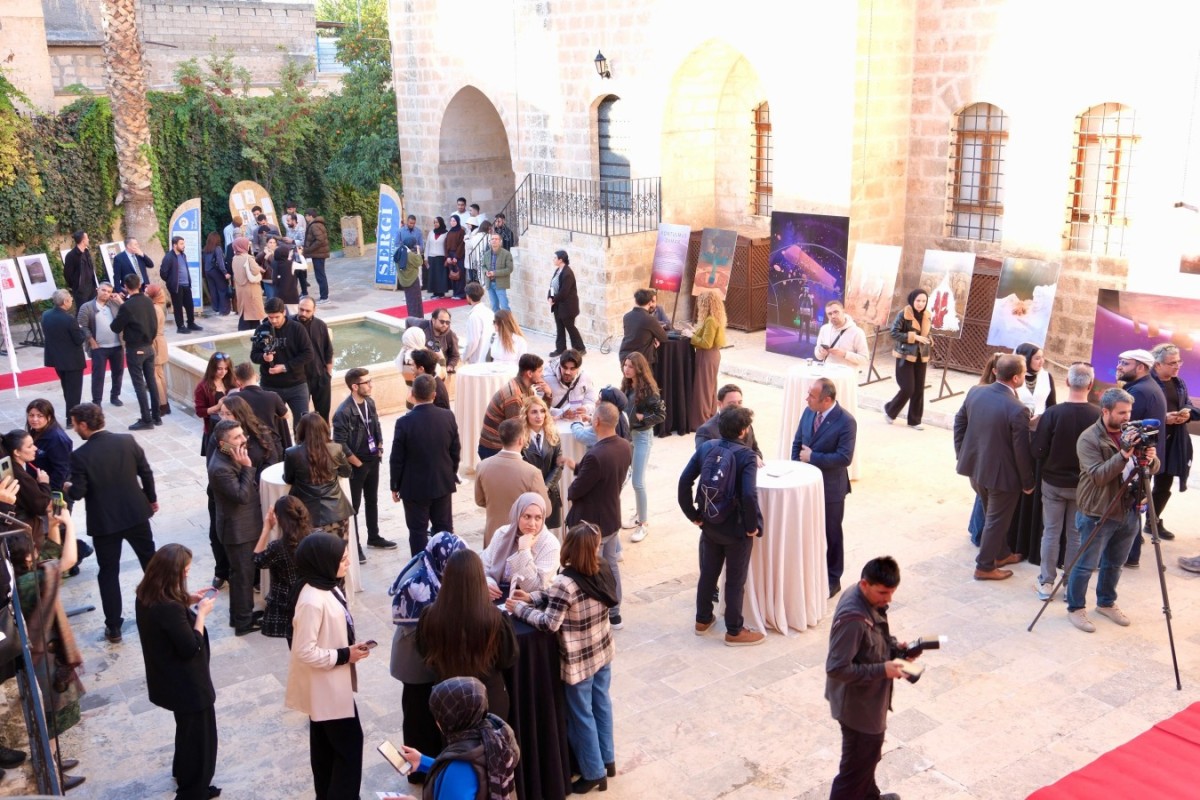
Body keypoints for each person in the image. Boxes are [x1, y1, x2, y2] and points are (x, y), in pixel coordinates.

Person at [507, 523, 616, 794]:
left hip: (579, 661)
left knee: (581, 716)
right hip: (603, 652)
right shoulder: (601, 568)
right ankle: (608, 759)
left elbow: (549, 623)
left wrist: (520, 608)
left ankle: (593, 773)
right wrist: (533, 596)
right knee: (601, 704)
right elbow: (561, 597)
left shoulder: (565, 583)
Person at [1066, 388, 1160, 633]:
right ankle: (1075, 608)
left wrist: (1150, 458)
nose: (1127, 417)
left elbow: (1152, 468)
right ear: (1105, 411)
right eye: (1121, 413)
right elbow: (1098, 476)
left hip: (1129, 509)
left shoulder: (1133, 433)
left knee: (1115, 563)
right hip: (1098, 510)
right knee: (1086, 564)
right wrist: (1123, 453)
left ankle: (1106, 603)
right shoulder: (1089, 438)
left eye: (1129, 411)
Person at [284, 533, 370, 799]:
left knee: (326, 749)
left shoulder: (326, 584)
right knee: (348, 748)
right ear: (323, 562)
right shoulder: (311, 600)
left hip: (332, 685)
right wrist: (345, 655)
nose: (346, 563)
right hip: (327, 688)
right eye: (342, 559)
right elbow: (304, 650)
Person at [8, 509, 86, 792]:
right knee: (50, 717)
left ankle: (55, 760)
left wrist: (53, 527)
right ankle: (54, 771)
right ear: (27, 555)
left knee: (52, 716)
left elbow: (50, 555)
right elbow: (67, 560)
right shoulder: (31, 582)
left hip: (40, 651)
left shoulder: (21, 577)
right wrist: (69, 524)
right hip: (44, 655)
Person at [66, 403, 158, 643]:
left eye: (75, 424)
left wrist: (67, 487)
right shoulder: (127, 441)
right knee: (152, 564)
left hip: (105, 523)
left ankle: (114, 627)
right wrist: (152, 499)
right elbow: (146, 472)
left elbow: (78, 492)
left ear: (83, 425)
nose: (74, 428)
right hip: (136, 513)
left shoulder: (80, 456)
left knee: (108, 573)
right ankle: (165, 610)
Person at [134, 544, 218, 800]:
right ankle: (193, 790)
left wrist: (187, 598)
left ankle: (184, 774)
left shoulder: (146, 594)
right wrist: (201, 614)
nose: (187, 576)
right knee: (200, 740)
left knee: (187, 731)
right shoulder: (168, 608)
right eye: (185, 572)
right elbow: (191, 647)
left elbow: (168, 615)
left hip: (169, 680)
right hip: (188, 684)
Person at [825, 556, 911, 800]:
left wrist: (895, 649)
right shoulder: (853, 619)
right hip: (858, 709)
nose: (888, 599)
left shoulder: (867, 598)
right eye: (883, 592)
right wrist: (883, 670)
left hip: (869, 702)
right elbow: (836, 668)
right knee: (853, 770)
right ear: (865, 584)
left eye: (892, 592)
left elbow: (875, 639)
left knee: (867, 758)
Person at [678, 406, 763, 646]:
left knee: (708, 573)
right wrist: (751, 526)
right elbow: (748, 495)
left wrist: (693, 514)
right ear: (744, 430)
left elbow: (684, 480)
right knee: (735, 580)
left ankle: (702, 619)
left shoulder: (706, 448)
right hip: (736, 529)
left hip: (710, 522)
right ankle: (734, 631)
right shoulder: (746, 456)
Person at [388, 532, 469, 767]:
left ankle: (429, 762)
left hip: (426, 655)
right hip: (414, 662)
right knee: (418, 716)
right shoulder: (418, 585)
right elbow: (425, 632)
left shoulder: (434, 570)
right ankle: (419, 768)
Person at [953, 354, 1035, 581]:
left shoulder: (976, 392)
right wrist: (1028, 482)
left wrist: (962, 454)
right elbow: (1021, 451)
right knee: (996, 521)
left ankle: (1002, 553)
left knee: (993, 515)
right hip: (1002, 477)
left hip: (976, 469)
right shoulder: (1017, 408)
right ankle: (985, 566)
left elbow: (959, 422)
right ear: (1017, 378)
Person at [417, 549, 519, 720]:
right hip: (489, 697)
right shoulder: (495, 617)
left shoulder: (429, 615)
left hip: (447, 696)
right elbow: (508, 658)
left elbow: (424, 652)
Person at [1032, 362, 1100, 599]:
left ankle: (1046, 582)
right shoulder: (1098, 415)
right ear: (1090, 385)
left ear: (1067, 382)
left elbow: (1039, 450)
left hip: (1053, 483)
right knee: (1075, 534)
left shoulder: (1053, 413)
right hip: (1083, 485)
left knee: (1050, 532)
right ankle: (1070, 582)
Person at [394, 677, 520, 799]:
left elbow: (458, 777)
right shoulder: (491, 737)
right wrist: (423, 762)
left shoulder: (459, 767)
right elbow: (472, 778)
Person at [566, 402, 632, 629]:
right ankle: (615, 612)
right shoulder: (624, 446)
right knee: (611, 564)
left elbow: (575, 490)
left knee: (593, 567)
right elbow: (604, 476)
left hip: (595, 521)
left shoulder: (595, 455)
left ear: (596, 422)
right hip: (612, 516)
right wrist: (575, 467)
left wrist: (573, 482)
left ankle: (599, 611)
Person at [790, 377, 858, 598]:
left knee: (831, 533)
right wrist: (796, 469)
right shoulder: (809, 411)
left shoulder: (846, 421)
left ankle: (833, 578)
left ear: (827, 400)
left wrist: (812, 457)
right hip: (806, 485)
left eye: (812, 395)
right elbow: (797, 442)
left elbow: (844, 457)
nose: (807, 398)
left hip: (831, 489)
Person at [390, 374, 461, 556]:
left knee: (418, 532)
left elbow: (397, 458)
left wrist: (395, 486)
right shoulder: (447, 416)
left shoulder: (403, 423)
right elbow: (455, 451)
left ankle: (421, 570)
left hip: (414, 487)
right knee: (444, 529)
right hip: (442, 482)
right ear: (434, 395)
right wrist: (450, 473)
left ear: (412, 394)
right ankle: (445, 566)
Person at [208, 420, 264, 636]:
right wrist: (248, 467)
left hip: (243, 526)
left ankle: (241, 615)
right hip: (237, 530)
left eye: (242, 434)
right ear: (224, 443)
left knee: (243, 575)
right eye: (237, 437)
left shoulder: (229, 453)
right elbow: (242, 496)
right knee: (242, 577)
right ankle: (243, 623)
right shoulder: (220, 468)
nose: (243, 439)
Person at [333, 368, 396, 554]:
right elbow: (339, 444)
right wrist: (357, 462)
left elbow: (375, 425)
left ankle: (374, 537)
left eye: (370, 381)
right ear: (354, 386)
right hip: (356, 466)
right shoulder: (343, 412)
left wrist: (381, 445)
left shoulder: (370, 402)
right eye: (367, 382)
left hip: (373, 460)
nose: (371, 385)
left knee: (372, 501)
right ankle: (355, 544)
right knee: (354, 507)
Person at [1116, 348, 1167, 568]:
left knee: (1130, 508)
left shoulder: (1140, 392)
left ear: (1140, 367)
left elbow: (1124, 429)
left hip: (1135, 462)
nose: (1119, 366)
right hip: (1141, 460)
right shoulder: (1144, 387)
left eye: (1125, 363)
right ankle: (1130, 554)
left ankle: (1128, 554)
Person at [1150, 343, 1196, 543]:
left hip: (1173, 441)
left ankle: (1153, 521)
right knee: (1139, 484)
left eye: (1179, 361)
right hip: (1150, 441)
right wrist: (1163, 417)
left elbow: (1188, 405)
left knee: (1164, 484)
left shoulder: (1179, 383)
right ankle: (1130, 528)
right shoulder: (1147, 384)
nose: (1177, 366)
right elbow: (1135, 412)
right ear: (1158, 365)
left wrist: (1185, 414)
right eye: (1172, 363)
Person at [284, 413, 354, 544]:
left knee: (315, 559)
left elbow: (288, 479)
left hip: (308, 515)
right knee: (340, 557)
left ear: (301, 430)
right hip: (337, 512)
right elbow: (346, 472)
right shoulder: (335, 449)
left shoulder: (292, 453)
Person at [250, 298, 316, 433]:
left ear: (284, 313)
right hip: (270, 386)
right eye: (270, 317)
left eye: (277, 317)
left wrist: (285, 367)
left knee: (302, 426)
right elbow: (253, 356)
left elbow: (308, 354)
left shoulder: (296, 328)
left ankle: (300, 452)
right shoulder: (261, 329)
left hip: (297, 385)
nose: (273, 321)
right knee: (271, 427)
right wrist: (264, 357)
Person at [253, 496, 312, 639]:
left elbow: (257, 560)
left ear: (279, 518)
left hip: (288, 604)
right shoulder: (316, 537)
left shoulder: (277, 547)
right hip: (311, 598)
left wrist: (266, 529)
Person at [482, 492, 561, 598]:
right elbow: (483, 565)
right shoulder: (502, 534)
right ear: (517, 515)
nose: (532, 524)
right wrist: (488, 583)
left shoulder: (550, 544)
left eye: (538, 518)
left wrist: (524, 550)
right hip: (499, 597)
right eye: (527, 516)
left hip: (532, 605)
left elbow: (534, 588)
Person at [110, 273, 163, 430]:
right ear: (140, 285)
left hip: (136, 348)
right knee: (151, 381)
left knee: (139, 384)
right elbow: (153, 323)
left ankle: (146, 419)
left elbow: (115, 327)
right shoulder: (148, 301)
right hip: (149, 346)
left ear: (125, 287)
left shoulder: (127, 306)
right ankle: (156, 417)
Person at [622, 352, 666, 542]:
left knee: (638, 482)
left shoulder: (649, 390)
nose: (626, 369)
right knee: (629, 478)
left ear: (639, 369)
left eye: (630, 366)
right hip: (627, 437)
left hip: (641, 437)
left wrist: (643, 418)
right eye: (625, 365)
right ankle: (639, 514)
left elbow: (661, 415)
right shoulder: (626, 385)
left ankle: (643, 524)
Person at [477, 353, 549, 460]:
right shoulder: (514, 395)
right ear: (529, 373)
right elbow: (516, 431)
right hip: (494, 448)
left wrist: (548, 395)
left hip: (504, 444)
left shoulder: (526, 388)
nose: (542, 375)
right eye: (539, 371)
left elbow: (538, 413)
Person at [883, 288, 932, 429]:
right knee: (908, 388)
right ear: (912, 300)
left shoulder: (927, 315)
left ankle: (915, 421)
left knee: (918, 389)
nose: (921, 304)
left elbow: (929, 332)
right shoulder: (903, 314)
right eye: (918, 300)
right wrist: (914, 337)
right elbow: (893, 333)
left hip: (921, 356)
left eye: (924, 301)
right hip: (905, 355)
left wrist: (929, 340)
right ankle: (890, 409)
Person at [520, 396, 569, 528]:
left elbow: (559, 465)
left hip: (550, 491)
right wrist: (535, 489)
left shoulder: (553, 434)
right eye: (534, 412)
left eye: (542, 411)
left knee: (547, 531)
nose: (539, 416)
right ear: (526, 414)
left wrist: (545, 486)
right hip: (527, 493)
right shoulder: (519, 437)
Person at [76, 281, 125, 408]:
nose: (106, 293)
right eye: (103, 290)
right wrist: (91, 341)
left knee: (118, 372)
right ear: (97, 289)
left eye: (109, 291)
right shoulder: (86, 307)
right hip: (99, 348)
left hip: (117, 346)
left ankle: (115, 396)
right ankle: (97, 401)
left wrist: (120, 301)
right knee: (98, 375)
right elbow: (82, 326)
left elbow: (128, 313)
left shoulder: (115, 304)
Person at [42, 289, 87, 423]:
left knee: (67, 388)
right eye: (71, 300)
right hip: (72, 361)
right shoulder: (69, 319)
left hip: (57, 359)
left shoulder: (46, 315)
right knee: (74, 391)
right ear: (65, 301)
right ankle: (71, 418)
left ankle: (71, 414)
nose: (72, 302)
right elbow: (79, 339)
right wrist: (83, 330)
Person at [2, 429, 52, 547]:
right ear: (17, 452)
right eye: (30, 446)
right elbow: (41, 506)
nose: (35, 448)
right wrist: (44, 483)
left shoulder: (12, 469)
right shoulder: (20, 476)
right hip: (25, 536)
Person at [230, 362, 293, 451]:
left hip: (246, 445)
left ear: (238, 381)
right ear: (255, 375)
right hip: (271, 443)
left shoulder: (233, 398)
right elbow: (285, 415)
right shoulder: (272, 396)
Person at [689, 290, 726, 429]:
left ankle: (701, 421)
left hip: (706, 355)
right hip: (713, 355)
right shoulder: (716, 318)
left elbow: (706, 343)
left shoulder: (710, 320)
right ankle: (710, 417)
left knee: (702, 390)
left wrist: (690, 336)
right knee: (710, 388)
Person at [694, 384, 763, 459]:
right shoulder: (706, 430)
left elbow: (755, 449)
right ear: (719, 404)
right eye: (732, 404)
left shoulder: (746, 423)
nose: (738, 407)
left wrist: (756, 457)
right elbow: (704, 460)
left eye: (739, 402)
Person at [296, 297, 335, 421]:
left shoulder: (320, 324)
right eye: (301, 309)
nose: (303, 313)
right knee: (302, 416)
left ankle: (324, 438)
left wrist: (328, 374)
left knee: (323, 414)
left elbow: (328, 350)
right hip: (299, 379)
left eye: (308, 311)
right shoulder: (289, 324)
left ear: (314, 310)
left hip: (320, 376)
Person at [27, 399, 73, 496]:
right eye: (31, 415)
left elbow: (61, 471)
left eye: (40, 416)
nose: (34, 419)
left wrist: (47, 492)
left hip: (54, 490)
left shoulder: (57, 440)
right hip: (39, 485)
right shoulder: (35, 431)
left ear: (49, 417)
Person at [160, 235, 203, 334]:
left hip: (186, 284)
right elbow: (163, 273)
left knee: (189, 305)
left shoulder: (183, 255)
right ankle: (180, 326)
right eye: (181, 244)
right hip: (176, 286)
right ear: (175, 245)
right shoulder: (168, 257)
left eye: (184, 243)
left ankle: (191, 323)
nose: (184, 245)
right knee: (178, 306)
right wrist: (171, 282)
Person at [194, 353, 234, 458]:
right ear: (212, 368)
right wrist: (218, 406)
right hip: (214, 433)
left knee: (232, 461)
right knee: (216, 462)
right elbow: (199, 412)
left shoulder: (230, 382)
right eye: (219, 369)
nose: (223, 372)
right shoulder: (202, 387)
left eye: (226, 369)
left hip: (231, 432)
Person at [618, 288, 668, 368]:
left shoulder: (626, 316)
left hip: (625, 356)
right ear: (649, 303)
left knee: (628, 380)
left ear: (636, 301)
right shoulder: (650, 319)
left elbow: (635, 334)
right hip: (641, 359)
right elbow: (664, 338)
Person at [814, 300, 869, 372]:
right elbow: (818, 355)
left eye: (836, 312)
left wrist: (845, 354)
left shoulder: (857, 332)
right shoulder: (824, 329)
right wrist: (821, 352)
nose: (833, 316)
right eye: (829, 314)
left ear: (843, 311)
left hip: (846, 377)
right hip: (827, 374)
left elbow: (864, 359)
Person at [544, 349, 598, 420]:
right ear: (560, 365)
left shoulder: (586, 378)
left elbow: (591, 401)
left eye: (572, 369)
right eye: (565, 368)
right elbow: (539, 407)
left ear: (578, 368)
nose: (567, 372)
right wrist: (561, 413)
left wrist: (586, 409)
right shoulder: (546, 379)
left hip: (577, 423)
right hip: (554, 423)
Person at [549, 249, 585, 356]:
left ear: (561, 260)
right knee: (559, 327)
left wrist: (554, 299)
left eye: (555, 258)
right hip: (558, 305)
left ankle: (580, 348)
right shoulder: (557, 271)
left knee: (570, 327)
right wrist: (550, 297)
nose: (553, 259)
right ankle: (560, 349)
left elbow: (564, 292)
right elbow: (552, 286)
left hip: (567, 306)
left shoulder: (567, 273)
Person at [146, 284, 172, 418]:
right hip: (159, 341)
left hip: (155, 342)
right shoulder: (159, 306)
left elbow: (152, 328)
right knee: (160, 374)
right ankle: (164, 404)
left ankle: (161, 405)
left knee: (156, 375)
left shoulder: (155, 308)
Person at [231, 237, 265, 331]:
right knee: (254, 315)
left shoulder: (234, 258)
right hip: (251, 290)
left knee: (244, 314)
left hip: (241, 290)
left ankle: (242, 334)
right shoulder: (248, 258)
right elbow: (255, 270)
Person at [302, 209, 332, 303]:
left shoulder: (314, 225)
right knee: (320, 275)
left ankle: (324, 297)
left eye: (306, 216)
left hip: (318, 254)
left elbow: (320, 240)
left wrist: (309, 249)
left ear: (310, 216)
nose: (305, 218)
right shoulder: (316, 224)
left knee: (320, 276)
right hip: (319, 253)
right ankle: (324, 296)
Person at [461, 282, 494, 364]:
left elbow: (472, 342)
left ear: (468, 297)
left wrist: (463, 357)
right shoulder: (489, 312)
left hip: (478, 360)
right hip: (488, 356)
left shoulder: (474, 316)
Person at [62, 230, 97, 309]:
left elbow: (90, 269)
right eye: (87, 238)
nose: (88, 240)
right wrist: (76, 285)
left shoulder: (86, 252)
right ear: (83, 240)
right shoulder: (71, 255)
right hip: (80, 289)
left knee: (93, 309)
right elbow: (67, 274)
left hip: (91, 287)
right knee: (83, 310)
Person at [203, 232, 232, 316]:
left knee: (213, 290)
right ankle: (224, 310)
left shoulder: (206, 249)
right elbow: (220, 262)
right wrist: (225, 272)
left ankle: (216, 308)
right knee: (222, 290)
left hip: (207, 271)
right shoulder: (217, 248)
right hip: (216, 271)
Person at [483, 232, 514, 311]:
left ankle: (508, 323)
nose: (494, 241)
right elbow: (483, 266)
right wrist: (486, 272)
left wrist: (495, 273)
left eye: (496, 239)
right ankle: (497, 323)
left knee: (504, 306)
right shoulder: (486, 254)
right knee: (494, 306)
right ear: (490, 241)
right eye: (492, 239)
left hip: (500, 283)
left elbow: (509, 269)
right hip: (489, 283)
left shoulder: (506, 254)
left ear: (500, 241)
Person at [394, 244, 424, 317]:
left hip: (404, 281)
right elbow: (419, 262)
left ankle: (411, 316)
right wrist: (418, 251)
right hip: (413, 281)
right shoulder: (410, 255)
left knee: (409, 300)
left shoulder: (398, 252)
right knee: (416, 301)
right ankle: (417, 318)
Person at [424, 216, 448, 298]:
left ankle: (441, 293)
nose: (435, 224)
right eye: (434, 222)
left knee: (440, 276)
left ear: (441, 223)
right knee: (433, 275)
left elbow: (447, 247)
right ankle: (435, 292)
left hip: (441, 257)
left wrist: (447, 258)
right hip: (432, 257)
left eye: (437, 222)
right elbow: (427, 245)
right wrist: (425, 257)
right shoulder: (431, 233)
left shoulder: (446, 233)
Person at [444, 214, 467, 299]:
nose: (452, 222)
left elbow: (461, 244)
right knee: (452, 274)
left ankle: (460, 294)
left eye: (454, 221)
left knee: (459, 274)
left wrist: (456, 257)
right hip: (450, 255)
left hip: (458, 256)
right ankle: (455, 293)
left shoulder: (461, 231)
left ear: (457, 222)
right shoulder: (449, 232)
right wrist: (448, 256)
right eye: (451, 221)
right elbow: (446, 244)